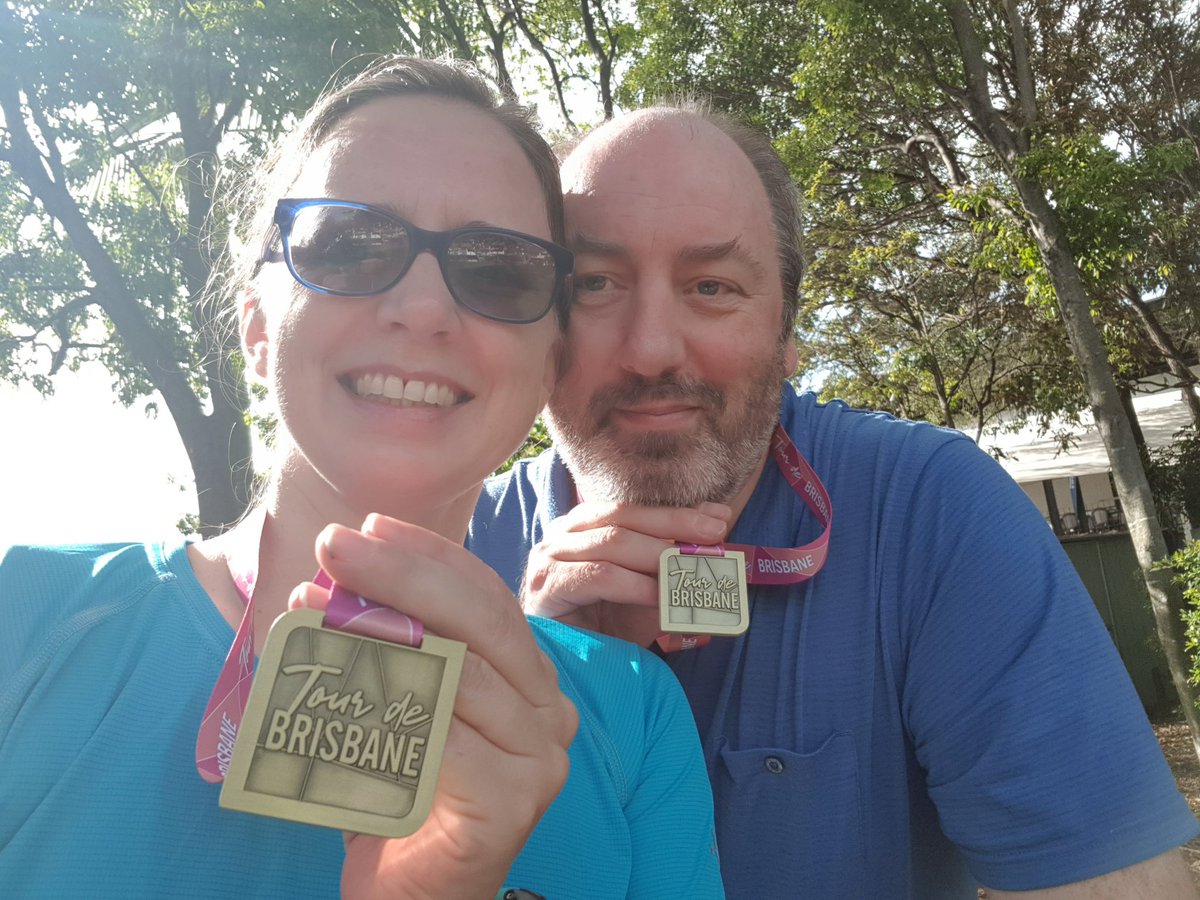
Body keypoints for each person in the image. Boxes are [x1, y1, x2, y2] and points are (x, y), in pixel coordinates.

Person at [0, 59, 724, 899]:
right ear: (257, 324)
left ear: (549, 366)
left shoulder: (632, 715)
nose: (422, 309)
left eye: (497, 269)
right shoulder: (24, 612)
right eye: (346, 245)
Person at [466, 104, 1200, 898]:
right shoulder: (459, 540)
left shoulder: (930, 513)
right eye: (594, 283)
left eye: (712, 286)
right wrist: (545, 681)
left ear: (787, 331)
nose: (650, 349)